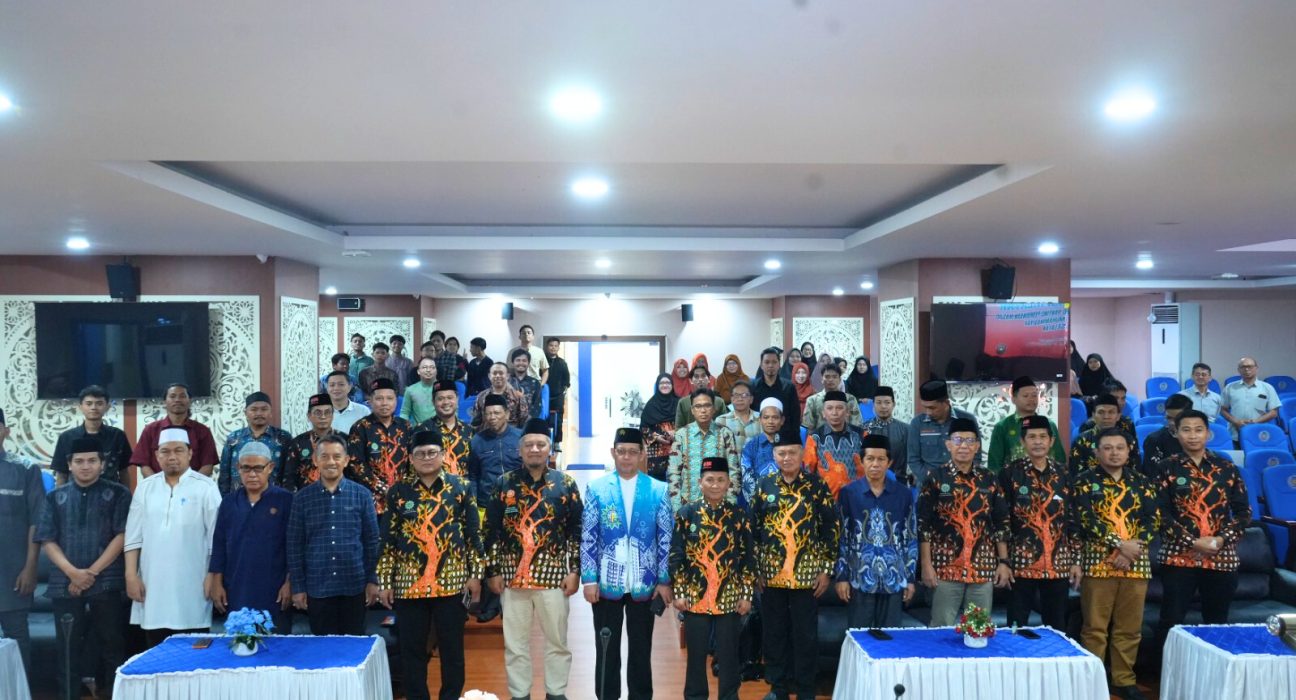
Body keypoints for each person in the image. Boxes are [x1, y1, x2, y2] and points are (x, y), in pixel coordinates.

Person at [377, 430, 484, 700]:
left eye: (432, 452)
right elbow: (388, 540)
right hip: (409, 585)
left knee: (452, 650)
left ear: (443, 455)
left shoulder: (461, 488)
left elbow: (473, 534)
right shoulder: (398, 492)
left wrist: (475, 575)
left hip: (451, 583)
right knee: (412, 650)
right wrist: (385, 581)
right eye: (420, 454)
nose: (426, 458)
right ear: (411, 459)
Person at [484, 419, 582, 700]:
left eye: (540, 445)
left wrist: (574, 570)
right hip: (512, 577)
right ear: (520, 450)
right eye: (529, 445)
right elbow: (491, 530)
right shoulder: (504, 484)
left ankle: (556, 693)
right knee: (515, 644)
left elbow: (577, 530)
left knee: (557, 642)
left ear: (549, 449)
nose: (535, 449)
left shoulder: (565, 484)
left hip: (554, 577)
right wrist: (492, 570)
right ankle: (520, 694)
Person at [579, 428, 673, 700]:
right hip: (606, 583)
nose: (627, 457)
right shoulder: (597, 489)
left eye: (633, 452)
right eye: (622, 451)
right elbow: (588, 536)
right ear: (613, 452)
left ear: (642, 454)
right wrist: (589, 579)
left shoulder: (658, 490)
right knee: (606, 646)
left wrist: (664, 580)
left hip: (645, 583)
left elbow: (666, 538)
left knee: (641, 648)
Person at [35, 436, 131, 700]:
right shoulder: (55, 497)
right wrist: (73, 573)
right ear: (69, 464)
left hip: (107, 581)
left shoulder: (119, 494)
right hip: (65, 583)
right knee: (67, 647)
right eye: (79, 461)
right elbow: (47, 539)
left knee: (112, 645)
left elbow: (122, 536)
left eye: (91, 461)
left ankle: (113, 694)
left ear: (102, 464)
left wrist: (90, 573)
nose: (85, 466)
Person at [751, 424, 839, 700]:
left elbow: (831, 528)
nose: (786, 458)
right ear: (774, 456)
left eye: (791, 453)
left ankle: (805, 690)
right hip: (772, 575)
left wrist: (826, 570)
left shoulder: (816, 486)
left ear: (802, 454)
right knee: (774, 634)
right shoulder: (764, 486)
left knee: (805, 636)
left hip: (806, 576)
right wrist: (755, 570)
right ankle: (778, 688)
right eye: (781, 453)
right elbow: (753, 530)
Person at [1153, 409, 1251, 656]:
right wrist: (1192, 542)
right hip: (1178, 557)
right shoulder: (1166, 468)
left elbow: (1243, 513)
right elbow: (1160, 513)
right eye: (1186, 430)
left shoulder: (1226, 467)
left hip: (1221, 556)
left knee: (1217, 622)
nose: (1193, 435)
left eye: (1198, 430)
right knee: (1171, 621)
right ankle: (1165, 673)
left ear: (1208, 433)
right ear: (1176, 433)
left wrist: (1220, 539)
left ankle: (1215, 673)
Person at [1073, 429, 1158, 700]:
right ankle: (1093, 680)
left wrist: (1131, 550)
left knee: (1129, 628)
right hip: (1098, 563)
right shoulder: (1083, 481)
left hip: (1136, 563)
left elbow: (1152, 520)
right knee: (1094, 628)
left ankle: (1124, 680)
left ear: (1129, 450)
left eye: (1119, 447)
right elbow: (1086, 520)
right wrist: (1120, 544)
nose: (1114, 452)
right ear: (1097, 452)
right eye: (1107, 448)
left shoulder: (1142, 481)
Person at [124, 428, 222, 646]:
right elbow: (133, 537)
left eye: (179, 450)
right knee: (156, 648)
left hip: (194, 583)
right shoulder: (145, 488)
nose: (172, 457)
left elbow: (217, 539)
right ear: (157, 456)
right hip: (152, 584)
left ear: (190, 453)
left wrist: (213, 576)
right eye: (165, 451)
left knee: (194, 649)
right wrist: (131, 575)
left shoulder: (206, 487)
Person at [669, 456, 755, 700]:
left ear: (729, 483)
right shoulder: (687, 514)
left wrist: (746, 594)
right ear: (700, 482)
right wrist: (680, 592)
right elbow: (676, 556)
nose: (715, 485)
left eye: (720, 480)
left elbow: (748, 558)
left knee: (728, 655)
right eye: (709, 480)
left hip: (729, 597)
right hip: (695, 597)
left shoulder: (738, 515)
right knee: (696, 655)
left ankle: (729, 696)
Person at [917, 418, 1011, 628]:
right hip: (945, 567)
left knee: (978, 629)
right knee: (941, 628)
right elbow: (924, 525)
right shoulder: (935, 478)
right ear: (948, 444)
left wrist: (1004, 562)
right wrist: (926, 565)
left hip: (982, 567)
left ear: (977, 446)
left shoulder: (989, 479)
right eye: (958, 440)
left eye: (969, 441)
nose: (964, 446)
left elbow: (1001, 522)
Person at [287, 434, 381, 635]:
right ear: (315, 460)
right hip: (317, 587)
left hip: (354, 585)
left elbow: (372, 541)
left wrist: (373, 580)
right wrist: (298, 587)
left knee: (353, 647)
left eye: (337, 457)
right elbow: (294, 545)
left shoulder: (362, 495)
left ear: (346, 460)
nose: (331, 462)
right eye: (324, 456)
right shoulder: (302, 499)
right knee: (323, 649)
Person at [998, 416, 1081, 631]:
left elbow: (1072, 520)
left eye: (1043, 437)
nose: (1038, 442)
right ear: (1022, 442)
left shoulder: (1063, 473)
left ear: (1051, 441)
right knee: (1016, 627)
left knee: (1057, 627)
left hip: (1058, 563)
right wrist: (1004, 560)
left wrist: (1075, 561)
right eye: (1032, 437)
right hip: (1021, 563)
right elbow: (1002, 520)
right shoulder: (1009, 473)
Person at [209, 442, 295, 634]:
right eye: (246, 468)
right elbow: (219, 545)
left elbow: (294, 546)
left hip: (275, 589)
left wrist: (290, 583)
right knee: (241, 643)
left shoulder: (285, 500)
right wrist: (217, 583)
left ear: (270, 468)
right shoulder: (229, 503)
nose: (252, 474)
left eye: (258, 468)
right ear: (238, 468)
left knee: (277, 644)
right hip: (237, 587)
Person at [835, 434, 916, 629]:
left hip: (894, 578)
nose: (875, 464)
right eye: (870, 458)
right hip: (859, 578)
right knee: (859, 637)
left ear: (889, 462)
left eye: (881, 459)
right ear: (861, 461)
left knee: (890, 640)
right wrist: (841, 576)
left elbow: (910, 537)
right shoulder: (848, 493)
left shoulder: (903, 494)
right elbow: (842, 538)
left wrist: (910, 578)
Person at [0, 408, 44, 679]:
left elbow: (37, 521)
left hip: (13, 571)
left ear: (6, 431)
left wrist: (30, 568)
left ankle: (20, 691)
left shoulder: (26, 469)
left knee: (16, 637)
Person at [347, 377, 413, 515]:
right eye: (379, 398)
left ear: (396, 401)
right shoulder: (360, 427)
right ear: (370, 401)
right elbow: (356, 463)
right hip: (371, 500)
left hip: (402, 499)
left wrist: (405, 488)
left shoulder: (405, 426)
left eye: (389, 398)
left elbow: (412, 461)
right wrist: (382, 488)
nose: (384, 403)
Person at [668, 387, 740, 511]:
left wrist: (730, 504)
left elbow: (734, 471)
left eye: (707, 405)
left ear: (714, 409)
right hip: (688, 505)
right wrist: (677, 508)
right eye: (698, 406)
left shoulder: (725, 434)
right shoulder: (681, 435)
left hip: (720, 505)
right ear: (692, 410)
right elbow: (673, 473)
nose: (703, 410)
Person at [131, 383, 219, 477]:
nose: (177, 400)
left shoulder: (203, 431)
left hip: (194, 485)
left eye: (182, 396)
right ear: (165, 401)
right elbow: (144, 465)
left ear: (189, 400)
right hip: (158, 485)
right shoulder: (150, 430)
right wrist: (158, 484)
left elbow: (207, 465)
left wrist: (192, 484)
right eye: (172, 396)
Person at [51, 385, 133, 486]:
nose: (93, 408)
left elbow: (124, 472)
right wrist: (60, 495)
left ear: (107, 407)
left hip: (111, 493)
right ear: (80, 407)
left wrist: (126, 495)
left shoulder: (118, 435)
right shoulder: (66, 437)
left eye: (99, 403)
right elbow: (61, 475)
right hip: (75, 493)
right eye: (89, 404)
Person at [986, 376, 1066, 473]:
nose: (1031, 399)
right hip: (1012, 479)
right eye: (1025, 396)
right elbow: (994, 465)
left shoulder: (1049, 425)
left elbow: (1060, 460)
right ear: (1013, 399)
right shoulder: (1003, 427)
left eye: (1034, 395)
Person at [907, 380, 979, 487]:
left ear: (946, 403)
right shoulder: (917, 423)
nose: (928, 412)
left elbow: (976, 456)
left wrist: (962, 479)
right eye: (925, 407)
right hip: (928, 485)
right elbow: (913, 460)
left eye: (932, 408)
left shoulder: (966, 420)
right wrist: (932, 479)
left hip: (961, 484)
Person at [218, 391, 292, 495]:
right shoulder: (233, 439)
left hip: (274, 498)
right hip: (238, 498)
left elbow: (289, 473)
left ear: (271, 412)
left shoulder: (283, 438)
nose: (259, 413)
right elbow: (224, 474)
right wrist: (225, 499)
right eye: (254, 409)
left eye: (264, 409)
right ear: (245, 413)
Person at [803, 390, 867, 497]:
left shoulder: (862, 435)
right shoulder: (814, 437)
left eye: (839, 408)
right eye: (829, 408)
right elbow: (808, 472)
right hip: (826, 499)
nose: (834, 413)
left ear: (847, 412)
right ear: (823, 413)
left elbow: (869, 465)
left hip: (858, 498)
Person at [282, 394, 348, 492]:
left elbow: (352, 472)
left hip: (340, 495)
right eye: (318, 413)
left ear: (332, 415)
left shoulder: (345, 440)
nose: (323, 417)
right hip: (306, 497)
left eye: (327, 412)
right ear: (309, 416)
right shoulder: (298, 443)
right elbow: (289, 477)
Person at [467, 394, 522, 505]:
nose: (492, 417)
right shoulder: (477, 441)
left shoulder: (521, 438)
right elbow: (472, 476)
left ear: (507, 414)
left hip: (517, 501)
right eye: (488, 414)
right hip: (486, 503)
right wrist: (473, 503)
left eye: (497, 413)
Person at [1070, 394, 1141, 474]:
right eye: (1101, 412)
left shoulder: (1129, 441)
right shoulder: (1080, 441)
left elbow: (1136, 473)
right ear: (1093, 416)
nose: (1106, 417)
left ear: (1118, 416)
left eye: (1111, 412)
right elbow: (1076, 476)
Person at [1220, 356, 1282, 445]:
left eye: (1250, 366)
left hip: (1259, 434)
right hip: (1235, 434)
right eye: (1243, 367)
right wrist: (1235, 421)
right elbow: (1223, 409)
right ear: (1238, 370)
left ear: (1256, 368)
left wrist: (1255, 422)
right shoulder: (1230, 387)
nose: (1246, 369)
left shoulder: (1267, 388)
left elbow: (1273, 412)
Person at [421, 380, 474, 477]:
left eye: (450, 398)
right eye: (440, 399)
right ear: (433, 402)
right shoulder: (422, 430)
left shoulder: (469, 431)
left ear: (457, 399)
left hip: (464, 485)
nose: (446, 402)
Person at [740, 397, 786, 509]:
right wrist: (762, 503)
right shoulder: (750, 446)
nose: (770, 421)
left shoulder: (789, 445)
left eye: (775, 417)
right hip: (759, 506)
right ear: (760, 419)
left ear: (782, 420)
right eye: (766, 417)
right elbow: (747, 481)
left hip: (786, 503)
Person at [801, 363, 863, 431]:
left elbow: (857, 425)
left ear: (840, 379)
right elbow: (808, 427)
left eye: (834, 377)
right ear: (822, 379)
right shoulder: (812, 400)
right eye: (827, 377)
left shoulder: (850, 399)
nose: (831, 380)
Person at [1141, 394, 1192, 477]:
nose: (1172, 423)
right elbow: (1151, 475)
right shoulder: (1154, 440)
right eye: (1169, 418)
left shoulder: (1195, 438)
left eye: (1177, 418)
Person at [640, 373, 679, 482]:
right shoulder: (650, 405)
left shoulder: (679, 403)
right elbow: (643, 428)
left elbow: (687, 423)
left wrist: (676, 432)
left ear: (672, 385)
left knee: (676, 481)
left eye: (668, 383)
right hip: (657, 451)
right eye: (662, 383)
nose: (665, 385)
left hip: (677, 448)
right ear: (657, 385)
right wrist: (656, 437)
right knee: (657, 483)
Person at [751, 347, 802, 429]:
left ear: (779, 365)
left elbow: (795, 417)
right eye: (767, 362)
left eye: (774, 362)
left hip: (785, 434)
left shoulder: (789, 387)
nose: (770, 365)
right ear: (761, 365)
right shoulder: (752, 387)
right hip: (759, 433)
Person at [861, 386, 909, 473]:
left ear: (893, 404)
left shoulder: (906, 429)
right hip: (871, 477)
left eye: (887, 402)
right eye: (879, 403)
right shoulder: (863, 428)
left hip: (898, 478)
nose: (883, 406)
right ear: (873, 404)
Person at [471, 362, 529, 428]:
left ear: (507, 376)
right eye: (494, 373)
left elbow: (524, 420)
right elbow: (476, 421)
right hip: (487, 432)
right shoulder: (481, 396)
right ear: (489, 376)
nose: (498, 376)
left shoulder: (517, 397)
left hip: (511, 433)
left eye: (501, 373)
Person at [674, 364, 728, 428]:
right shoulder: (683, 402)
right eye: (696, 377)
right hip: (688, 434)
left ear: (709, 379)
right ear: (691, 380)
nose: (700, 379)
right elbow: (679, 428)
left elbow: (724, 426)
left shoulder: (719, 401)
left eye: (703, 376)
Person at [714, 380, 760, 455]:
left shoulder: (761, 419)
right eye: (736, 395)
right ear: (731, 399)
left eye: (744, 395)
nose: (740, 399)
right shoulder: (721, 421)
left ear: (751, 399)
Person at [326, 370, 371, 435]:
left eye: (341, 384)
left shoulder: (363, 411)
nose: (336, 388)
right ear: (327, 388)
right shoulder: (322, 413)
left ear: (349, 387)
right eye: (332, 385)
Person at [545, 338, 571, 451]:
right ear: (547, 347)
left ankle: (556, 442)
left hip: (558, 397)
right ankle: (545, 441)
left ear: (558, 348)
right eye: (551, 345)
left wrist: (563, 391)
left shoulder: (562, 363)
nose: (553, 348)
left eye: (556, 346)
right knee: (544, 419)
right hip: (544, 396)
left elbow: (567, 380)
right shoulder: (543, 361)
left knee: (558, 420)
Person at [401, 357, 441, 425]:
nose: (428, 370)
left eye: (432, 367)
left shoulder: (444, 389)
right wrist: (403, 427)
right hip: (418, 429)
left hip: (441, 429)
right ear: (418, 371)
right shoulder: (410, 390)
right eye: (424, 367)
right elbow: (404, 413)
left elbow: (453, 411)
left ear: (436, 371)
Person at [508, 348, 545, 423]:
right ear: (513, 362)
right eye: (518, 360)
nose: (521, 363)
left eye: (524, 361)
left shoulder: (535, 383)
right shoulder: (507, 382)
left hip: (529, 422)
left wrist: (528, 421)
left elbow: (537, 406)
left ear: (528, 363)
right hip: (509, 422)